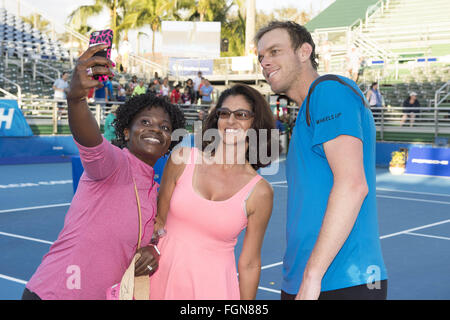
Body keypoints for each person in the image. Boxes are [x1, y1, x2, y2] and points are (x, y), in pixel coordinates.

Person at [22, 44, 186, 300]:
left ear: (170, 141)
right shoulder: (114, 164)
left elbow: (137, 240)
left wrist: (152, 250)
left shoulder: (152, 188)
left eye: (165, 127)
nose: (156, 129)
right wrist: (76, 99)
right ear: (124, 132)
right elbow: (91, 142)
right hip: (56, 293)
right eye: (145, 122)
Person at [256, 21, 388, 300]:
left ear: (304, 52)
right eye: (261, 57)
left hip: (343, 279)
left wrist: (313, 275)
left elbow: (353, 185)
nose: (265, 62)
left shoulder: (328, 91)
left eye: (274, 51)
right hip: (306, 279)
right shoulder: (307, 109)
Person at [149, 84, 277, 300]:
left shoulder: (260, 192)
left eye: (242, 114)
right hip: (160, 280)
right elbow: (157, 221)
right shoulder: (182, 159)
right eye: (224, 113)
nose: (231, 121)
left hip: (214, 290)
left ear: (256, 123)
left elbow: (249, 263)